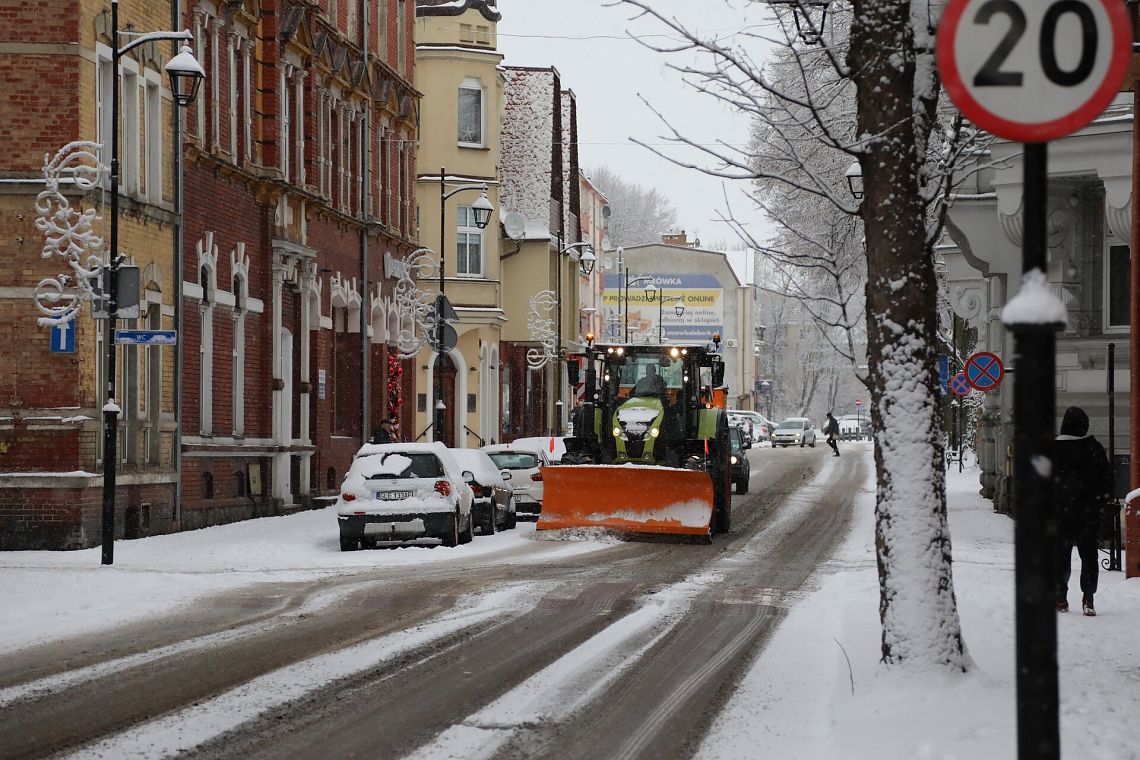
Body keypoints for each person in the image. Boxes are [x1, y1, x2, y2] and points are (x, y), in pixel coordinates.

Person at [1054, 406, 1111, 616]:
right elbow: (1106, 482)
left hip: (1060, 514)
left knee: (1060, 557)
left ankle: (1060, 598)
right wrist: (1098, 503)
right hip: (1087, 514)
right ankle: (1088, 598)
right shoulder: (1094, 449)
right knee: (1089, 557)